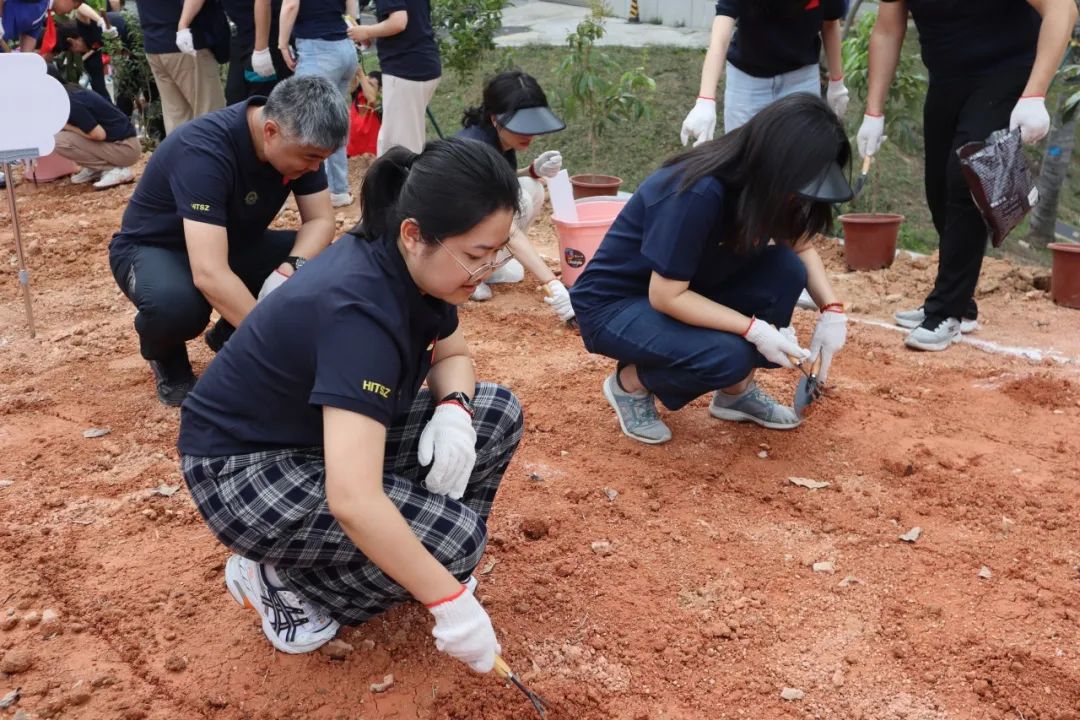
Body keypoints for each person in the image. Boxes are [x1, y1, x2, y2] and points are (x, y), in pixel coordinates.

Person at [177, 137, 524, 667]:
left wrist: (454, 410)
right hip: (244, 469)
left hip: (315, 435)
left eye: (496, 252)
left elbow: (452, 353)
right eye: (477, 256)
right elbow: (354, 498)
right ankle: (284, 582)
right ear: (415, 235)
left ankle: (426, 558)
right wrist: (449, 603)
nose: (488, 269)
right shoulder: (360, 313)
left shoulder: (415, 271)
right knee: (454, 544)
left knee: (494, 412)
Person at [570, 94, 852, 445]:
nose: (801, 199)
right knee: (728, 354)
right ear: (778, 163)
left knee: (786, 269)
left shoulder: (770, 189)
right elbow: (666, 295)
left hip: (686, 288)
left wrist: (831, 310)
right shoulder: (698, 190)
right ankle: (630, 384)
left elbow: (800, 246)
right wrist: (754, 330)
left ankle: (736, 394)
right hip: (617, 306)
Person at [108, 76, 347, 406]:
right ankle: (167, 356)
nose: (315, 167)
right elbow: (209, 272)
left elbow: (320, 221)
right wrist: (274, 345)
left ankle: (230, 335)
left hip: (230, 243)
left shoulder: (301, 143)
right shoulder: (204, 150)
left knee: (322, 263)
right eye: (310, 158)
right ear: (270, 131)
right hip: (155, 249)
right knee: (176, 307)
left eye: (322, 159)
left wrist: (289, 270)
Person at [857, 0, 1077, 352]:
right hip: (946, 78)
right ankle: (960, 302)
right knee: (938, 190)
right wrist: (873, 111)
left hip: (1006, 72)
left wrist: (1035, 94)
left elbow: (1062, 9)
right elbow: (887, 29)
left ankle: (946, 310)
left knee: (966, 177)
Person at [454, 70, 572, 324]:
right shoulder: (478, 150)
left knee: (530, 186)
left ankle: (488, 268)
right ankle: (466, 275)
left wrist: (533, 171)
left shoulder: (497, 139)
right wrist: (553, 284)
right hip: (448, 246)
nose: (530, 134)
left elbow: (500, 180)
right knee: (519, 201)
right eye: (521, 126)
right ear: (495, 118)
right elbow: (506, 226)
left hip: (470, 223)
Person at [681, 0, 848, 145]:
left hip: (801, 78)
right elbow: (720, 38)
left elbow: (830, 23)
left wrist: (837, 82)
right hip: (747, 79)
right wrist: (705, 100)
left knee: (800, 156)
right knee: (742, 154)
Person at [277, 0, 358, 208]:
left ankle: (302, 192)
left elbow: (290, 5)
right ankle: (338, 189)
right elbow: (352, 5)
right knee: (335, 120)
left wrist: (282, 44)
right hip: (345, 47)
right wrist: (353, 23)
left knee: (300, 121)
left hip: (317, 49)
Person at [347, 0, 439, 156]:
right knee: (411, 139)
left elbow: (398, 21)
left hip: (405, 70)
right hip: (423, 64)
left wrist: (367, 31)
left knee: (397, 148)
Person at [46, 63, 140, 189]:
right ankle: (96, 169)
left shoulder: (71, 101)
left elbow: (99, 134)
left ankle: (114, 170)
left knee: (57, 140)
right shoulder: (71, 92)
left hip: (125, 148)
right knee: (64, 135)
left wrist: (67, 126)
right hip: (122, 145)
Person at [138, 0, 226, 135]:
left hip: (154, 43)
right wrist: (183, 25)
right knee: (209, 116)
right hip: (186, 43)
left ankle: (179, 149)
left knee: (177, 117)